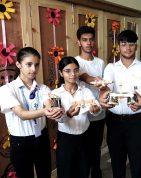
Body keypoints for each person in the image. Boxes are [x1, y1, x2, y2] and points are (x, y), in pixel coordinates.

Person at [0, 47, 64, 178]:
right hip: (20, 142)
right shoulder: (7, 90)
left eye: (36, 65)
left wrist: (52, 110)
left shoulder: (43, 88)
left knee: (45, 173)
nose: (34, 69)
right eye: (29, 64)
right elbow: (22, 114)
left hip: (41, 138)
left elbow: (48, 102)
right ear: (18, 64)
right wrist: (46, 112)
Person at [100, 29, 141, 178]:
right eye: (123, 44)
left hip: (137, 122)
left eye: (131, 44)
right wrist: (103, 95)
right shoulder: (111, 68)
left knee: (138, 164)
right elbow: (106, 86)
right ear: (118, 46)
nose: (127, 48)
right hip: (115, 122)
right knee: (117, 164)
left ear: (136, 46)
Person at [51, 56, 101, 178]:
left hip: (85, 137)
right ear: (61, 73)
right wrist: (67, 114)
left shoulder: (85, 91)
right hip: (66, 139)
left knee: (84, 170)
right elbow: (58, 118)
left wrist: (96, 110)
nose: (73, 74)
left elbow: (96, 106)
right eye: (67, 71)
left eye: (76, 70)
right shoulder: (56, 94)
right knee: (66, 172)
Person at [75, 26, 106, 178]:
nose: (88, 43)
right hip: (81, 114)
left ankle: (96, 173)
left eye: (91, 40)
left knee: (96, 149)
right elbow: (83, 76)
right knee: (83, 151)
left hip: (99, 113)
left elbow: (104, 86)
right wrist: (93, 79)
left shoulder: (100, 63)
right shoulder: (75, 62)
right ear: (79, 42)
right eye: (84, 40)